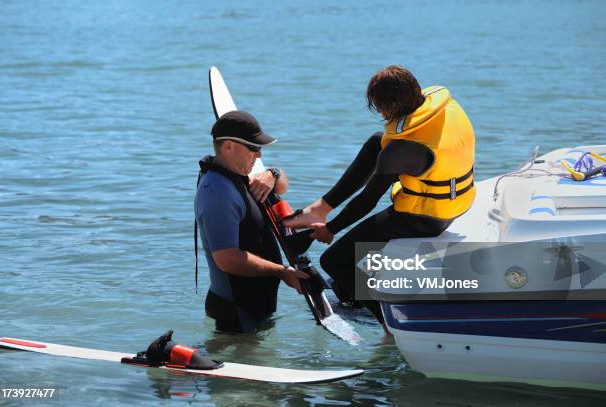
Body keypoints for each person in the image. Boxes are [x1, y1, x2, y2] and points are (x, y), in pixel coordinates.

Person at [284, 66, 476, 327]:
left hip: (426, 217)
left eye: (380, 108)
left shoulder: (402, 150)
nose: (381, 114)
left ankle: (388, 324)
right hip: (460, 201)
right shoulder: (444, 108)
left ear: (389, 106)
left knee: (335, 260)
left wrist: (330, 230)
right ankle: (320, 207)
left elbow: (368, 201)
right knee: (378, 140)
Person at [195, 110, 308, 333]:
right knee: (223, 364)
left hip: (253, 310)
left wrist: (273, 173)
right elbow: (227, 259)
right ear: (228, 146)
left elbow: (282, 186)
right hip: (236, 313)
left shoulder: (235, 172)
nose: (258, 155)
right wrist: (282, 271)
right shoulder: (218, 191)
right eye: (253, 148)